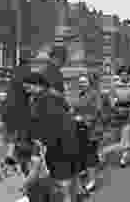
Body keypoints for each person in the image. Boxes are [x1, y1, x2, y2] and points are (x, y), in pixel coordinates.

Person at [24, 72, 82, 202]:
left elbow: (52, 123)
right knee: (63, 176)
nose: (27, 90)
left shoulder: (47, 98)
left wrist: (43, 142)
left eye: (28, 87)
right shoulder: (46, 96)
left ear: (37, 85)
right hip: (58, 142)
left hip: (58, 143)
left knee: (61, 177)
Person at [71, 74, 103, 193]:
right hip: (80, 129)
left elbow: (98, 110)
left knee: (90, 155)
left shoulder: (94, 94)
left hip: (92, 130)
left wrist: (84, 119)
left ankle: (92, 181)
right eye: (80, 82)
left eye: (84, 82)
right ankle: (85, 177)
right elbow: (75, 109)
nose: (81, 84)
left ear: (89, 83)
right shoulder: (80, 95)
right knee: (83, 154)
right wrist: (73, 115)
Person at [1, 58, 33, 171]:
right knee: (19, 133)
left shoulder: (15, 74)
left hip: (8, 107)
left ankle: (10, 155)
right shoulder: (28, 74)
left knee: (11, 133)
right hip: (19, 108)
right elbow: (29, 91)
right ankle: (15, 157)